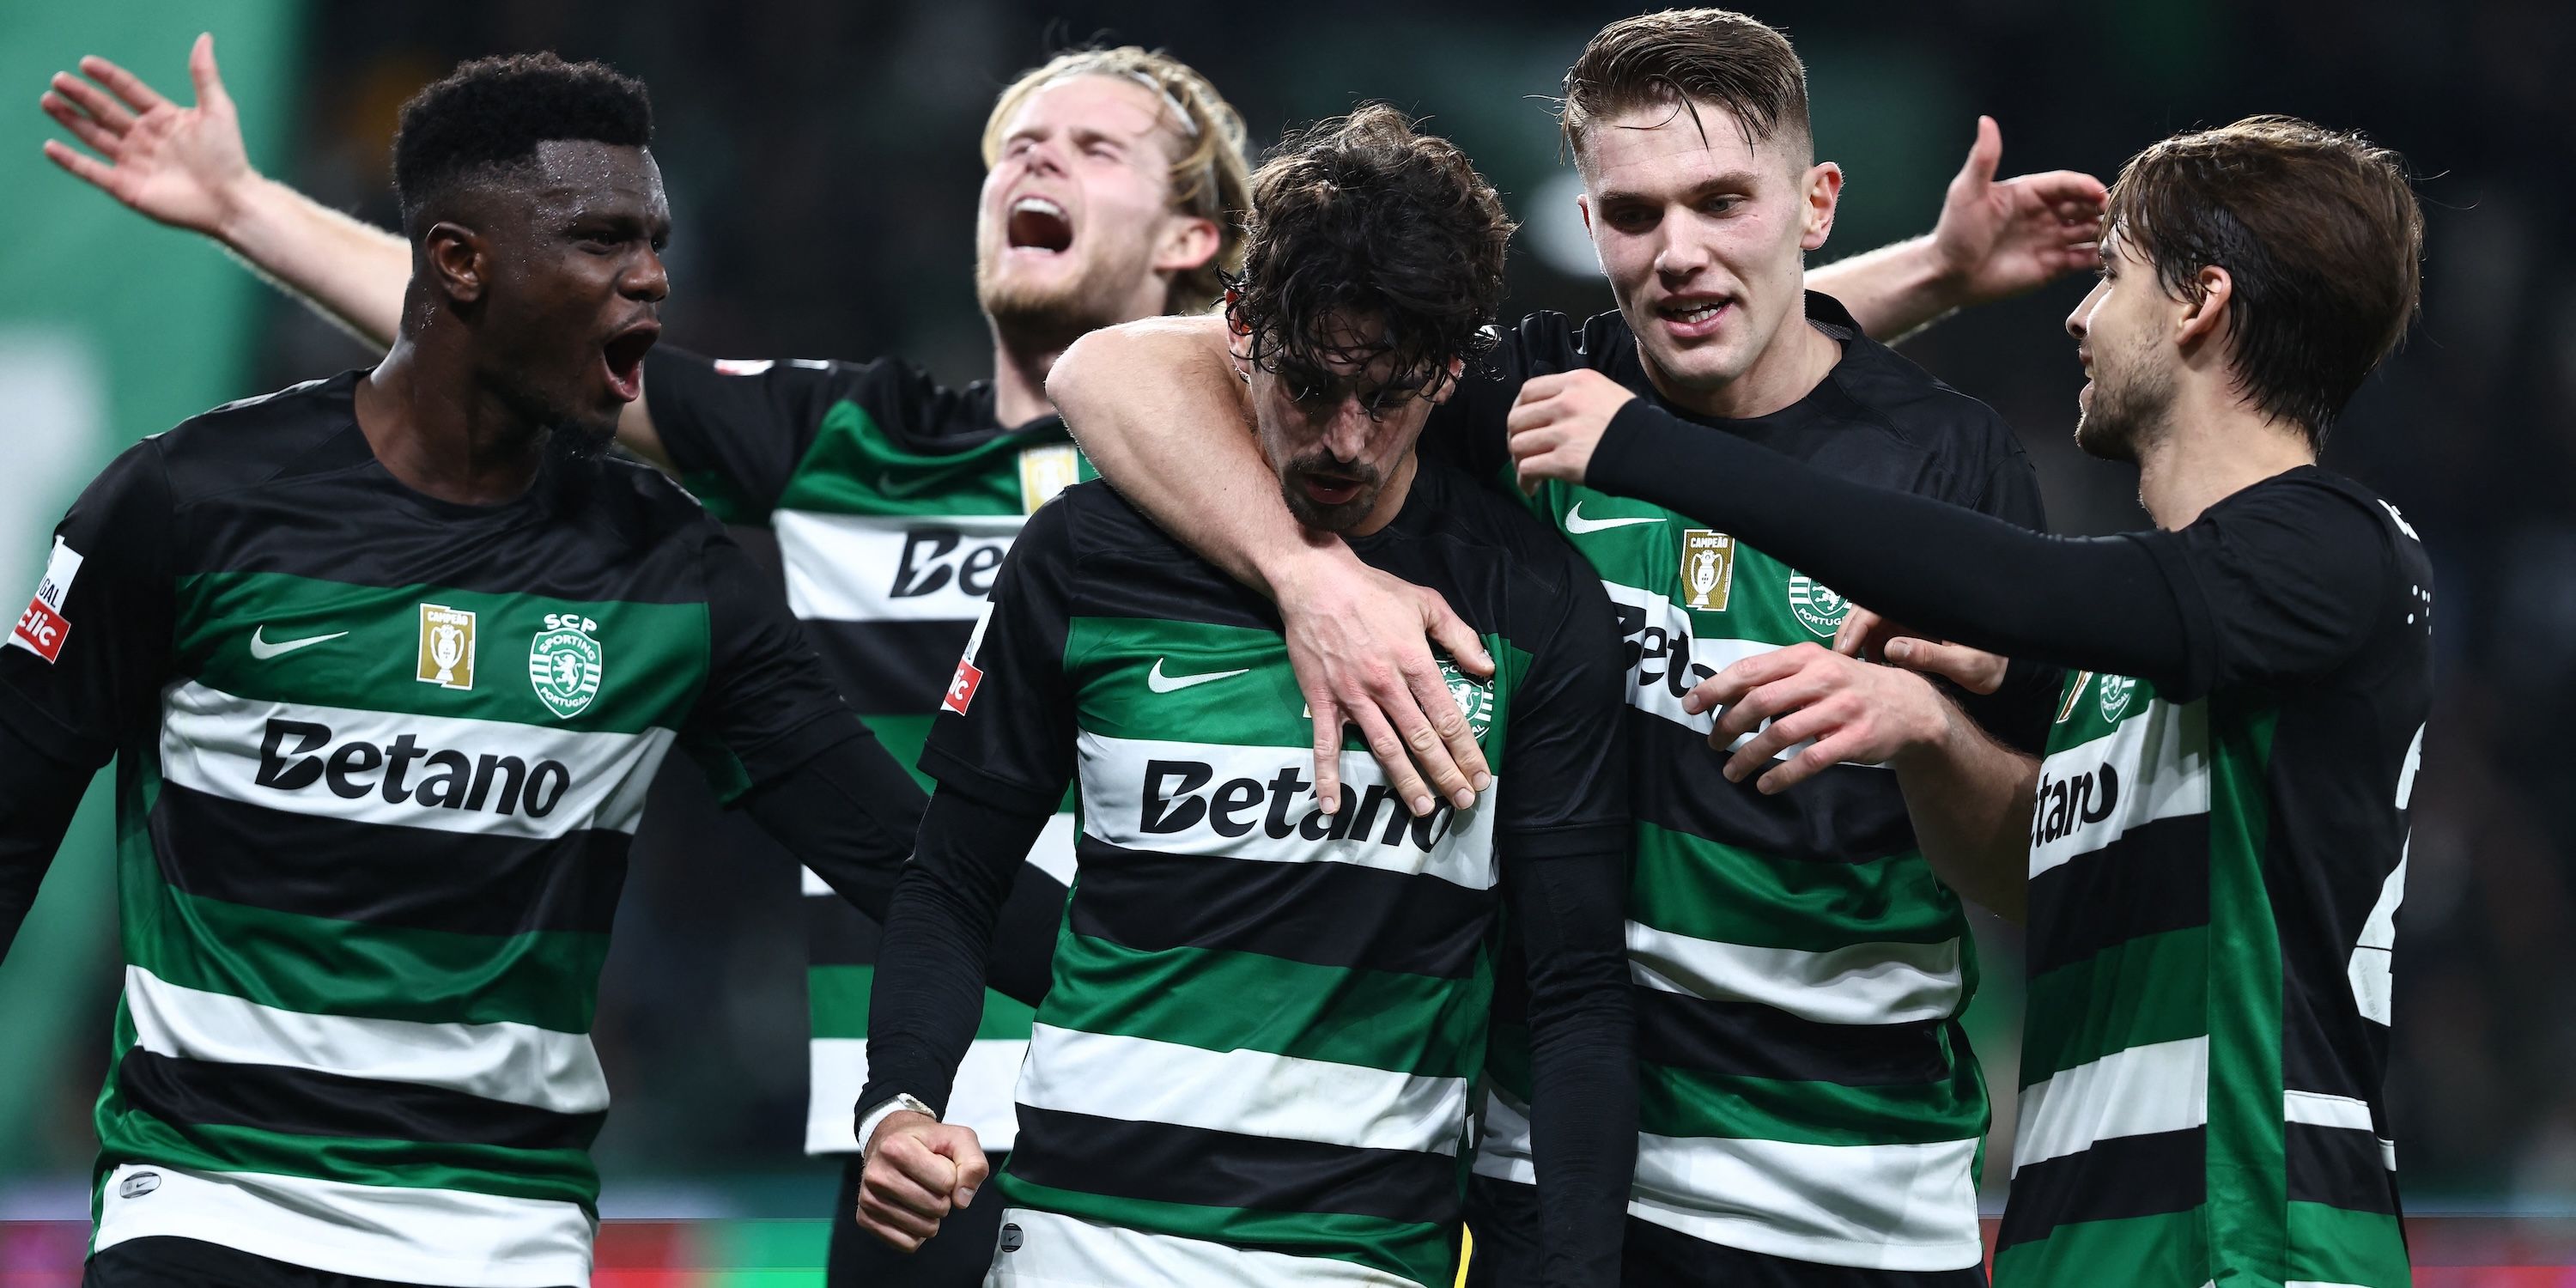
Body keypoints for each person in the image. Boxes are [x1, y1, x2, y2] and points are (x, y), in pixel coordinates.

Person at [39, 37, 1252, 1285]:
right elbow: (507, 328)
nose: (654, 284)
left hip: (1153, 1116)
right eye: (1017, 148)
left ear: (1195, 238)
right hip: (907, 1137)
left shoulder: (1264, 493)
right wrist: (243, 205)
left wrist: (1222, 1004)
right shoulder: (847, 444)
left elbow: (904, 854)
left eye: (1094, 147)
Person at [1048, 11, 2102, 1284]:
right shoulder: (1536, 394)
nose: (1679, 252)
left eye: (1723, 201)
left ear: (1816, 204)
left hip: (1858, 1196)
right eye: (1635, 213)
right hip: (1546, 1174)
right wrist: (1306, 575)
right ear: (1590, 224)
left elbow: (2036, 867)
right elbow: (1111, 370)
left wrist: (1927, 735)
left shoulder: (1949, 462)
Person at [1506, 114, 2427, 1288]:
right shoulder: (2131, 663)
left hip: (2249, 1237)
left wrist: (1644, 443)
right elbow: (2038, 881)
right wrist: (1935, 728)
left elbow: (2011, 579)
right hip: (2076, 1237)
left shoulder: (2339, 552)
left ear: (2199, 304)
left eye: (2112, 279)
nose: (2079, 319)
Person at [853, 106, 1637, 1288]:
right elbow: (951, 877)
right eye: (1313, 385)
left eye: (1393, 393)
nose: (1349, 440)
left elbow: (1572, 988)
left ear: (1454, 369)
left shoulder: (1536, 604)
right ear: (1239, 331)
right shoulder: (1083, 556)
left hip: (1364, 1256)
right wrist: (900, 1103)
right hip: (1077, 1239)